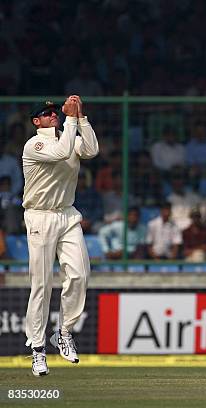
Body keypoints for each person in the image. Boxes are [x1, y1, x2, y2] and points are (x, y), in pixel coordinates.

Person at [22, 96, 99, 376]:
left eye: (54, 112)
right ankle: (38, 351)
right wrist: (70, 121)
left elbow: (90, 149)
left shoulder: (68, 133)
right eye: (46, 113)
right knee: (42, 284)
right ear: (36, 121)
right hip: (39, 215)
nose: (52, 115)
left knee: (80, 274)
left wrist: (81, 118)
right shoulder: (35, 144)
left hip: (67, 214)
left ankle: (64, 332)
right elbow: (61, 152)